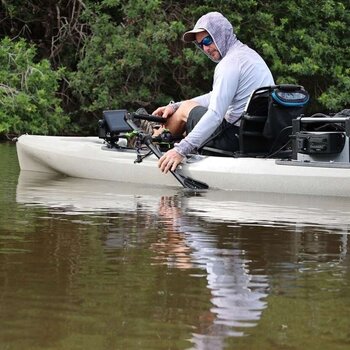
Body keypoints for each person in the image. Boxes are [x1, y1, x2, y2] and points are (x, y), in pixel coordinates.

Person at [152, 12, 274, 173]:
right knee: (184, 106)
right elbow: (214, 96)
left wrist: (181, 150)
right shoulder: (250, 56)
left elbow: (216, 114)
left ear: (221, 34)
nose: (205, 48)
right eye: (200, 44)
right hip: (258, 138)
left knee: (186, 109)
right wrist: (175, 105)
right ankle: (158, 133)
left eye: (208, 41)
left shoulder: (228, 64)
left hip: (233, 140)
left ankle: (152, 141)